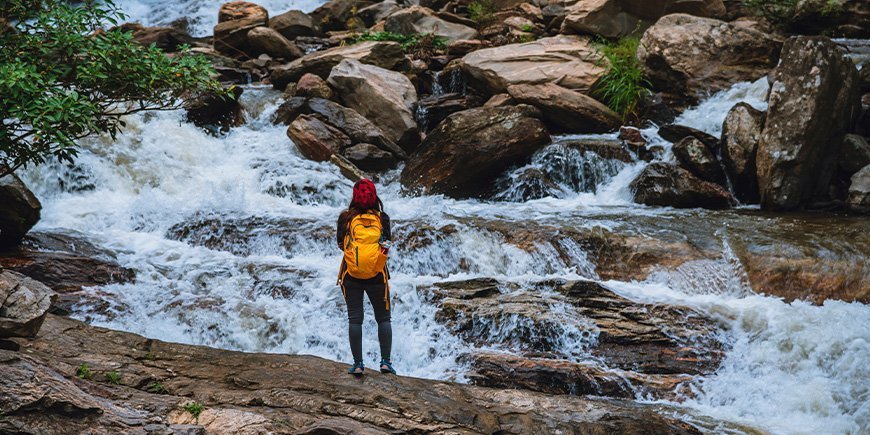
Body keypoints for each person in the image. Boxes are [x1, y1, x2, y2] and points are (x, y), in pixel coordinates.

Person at [336, 179, 395, 375]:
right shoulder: (382, 218)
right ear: (374, 197)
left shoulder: (345, 218)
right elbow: (387, 243)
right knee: (383, 319)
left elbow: (340, 244)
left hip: (351, 274)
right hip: (377, 274)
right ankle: (385, 362)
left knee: (355, 320)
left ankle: (358, 364)